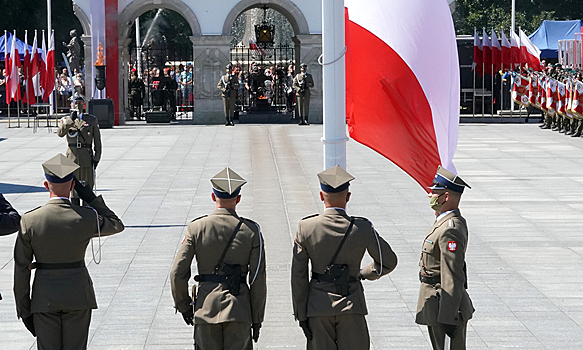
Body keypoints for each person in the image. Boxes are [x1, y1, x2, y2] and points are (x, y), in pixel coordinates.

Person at [13, 153, 124, 349]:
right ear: (73, 186)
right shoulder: (86, 217)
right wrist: (90, 198)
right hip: (78, 296)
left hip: (44, 298)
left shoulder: (29, 221)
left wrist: (24, 310)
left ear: (46, 186)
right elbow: (116, 224)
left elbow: (21, 270)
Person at [291, 165, 398, 350]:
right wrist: (363, 273)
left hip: (319, 307)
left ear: (320, 195)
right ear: (348, 197)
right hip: (352, 305)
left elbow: (298, 277)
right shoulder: (362, 228)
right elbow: (388, 261)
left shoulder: (306, 227)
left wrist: (302, 314)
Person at [170, 167, 266, 350]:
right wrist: (256, 319)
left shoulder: (196, 228)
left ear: (213, 197)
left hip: (205, 309)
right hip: (239, 311)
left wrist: (184, 306)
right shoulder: (252, 231)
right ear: (238, 199)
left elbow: (177, 272)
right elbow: (257, 279)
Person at [416, 166, 474, 350]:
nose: (430, 196)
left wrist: (449, 316)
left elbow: (452, 274)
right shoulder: (443, 221)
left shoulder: (450, 228)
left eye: (434, 192)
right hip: (437, 302)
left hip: (444, 304)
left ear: (446, 197)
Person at [57, 95, 102, 206]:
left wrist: (96, 158)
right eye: (74, 102)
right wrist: (70, 120)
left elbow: (97, 141)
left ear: (84, 105)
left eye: (79, 102)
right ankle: (75, 212)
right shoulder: (66, 120)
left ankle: (87, 214)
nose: (77, 105)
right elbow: (60, 133)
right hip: (72, 158)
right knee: (73, 189)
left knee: (87, 188)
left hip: (86, 158)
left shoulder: (91, 119)